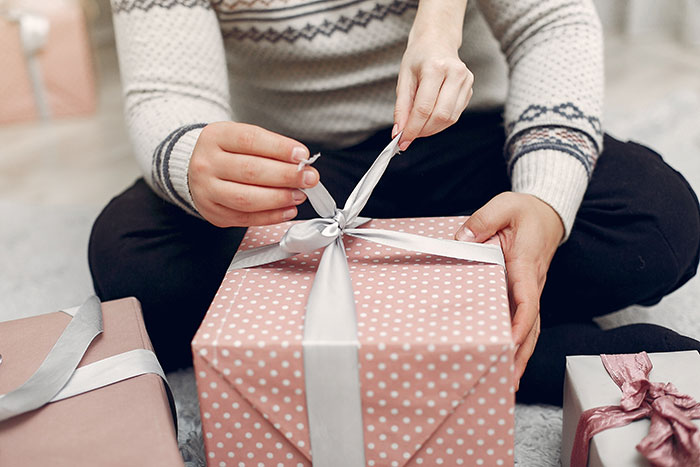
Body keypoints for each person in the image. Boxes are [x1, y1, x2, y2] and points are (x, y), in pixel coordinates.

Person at [91, 0, 700, 405]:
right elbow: (168, 92)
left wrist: (542, 201)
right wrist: (194, 160)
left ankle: (340, 348)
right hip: (298, 169)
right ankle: (506, 353)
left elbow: (551, 23)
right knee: (132, 265)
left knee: (658, 222)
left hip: (468, 138)